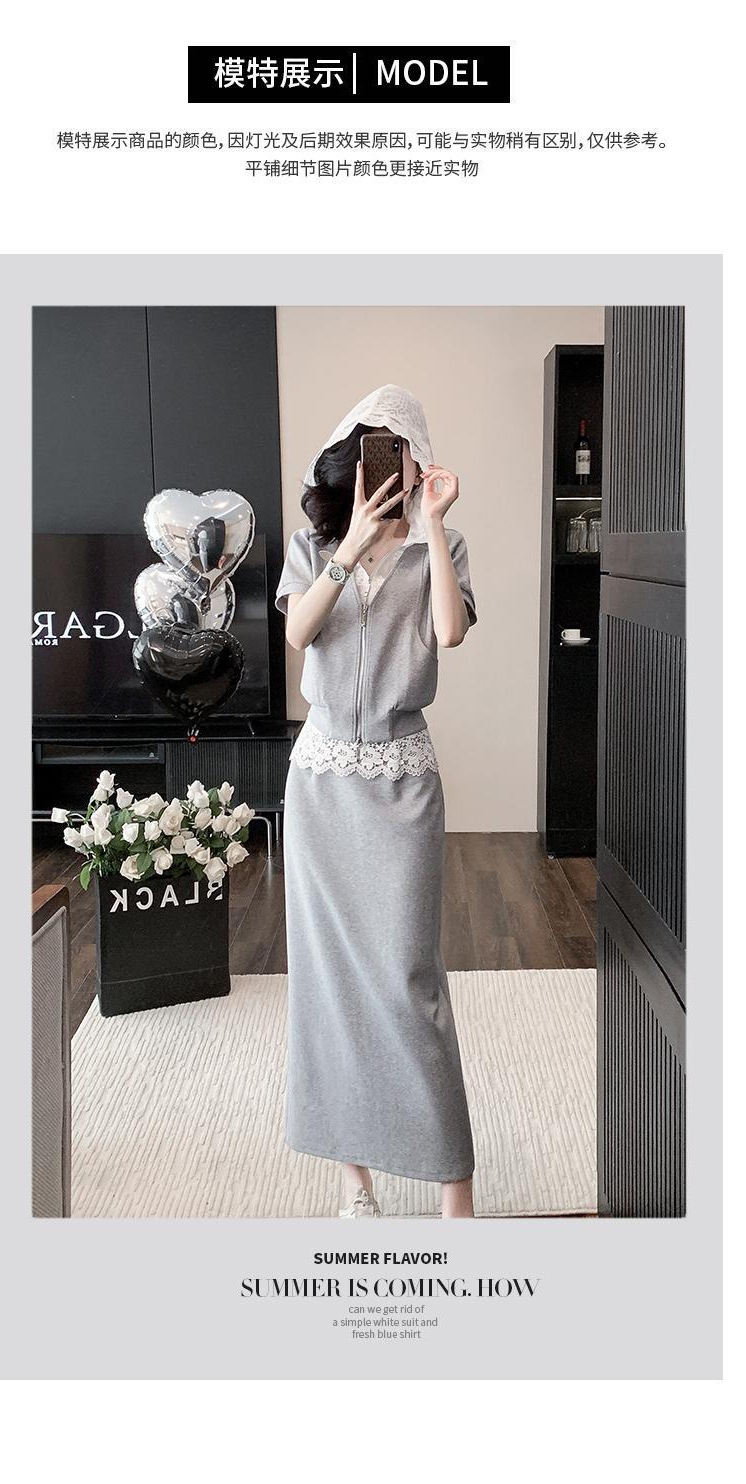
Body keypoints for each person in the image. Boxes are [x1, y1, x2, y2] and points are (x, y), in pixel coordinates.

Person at [275, 385, 477, 1219]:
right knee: (328, 983)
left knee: (409, 978)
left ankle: (455, 1189)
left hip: (402, 782)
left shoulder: (443, 544)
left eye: (397, 447)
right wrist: (350, 545)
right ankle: (353, 1180)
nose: (383, 462)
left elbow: (450, 633)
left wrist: (430, 523)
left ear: (418, 457)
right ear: (350, 459)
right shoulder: (313, 543)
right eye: (370, 448)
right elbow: (299, 634)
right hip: (321, 783)